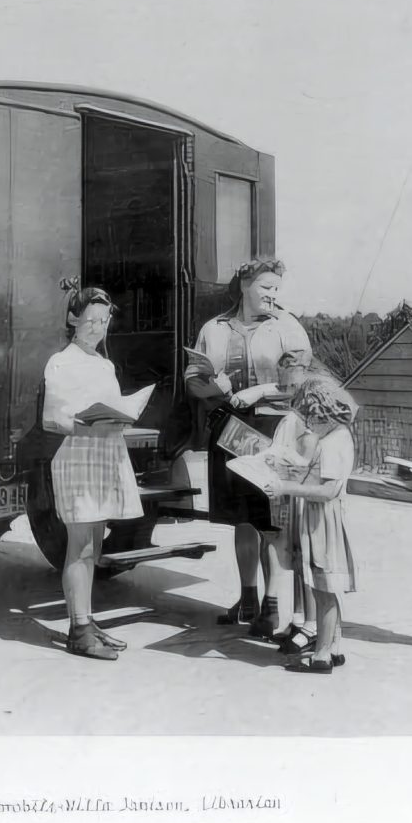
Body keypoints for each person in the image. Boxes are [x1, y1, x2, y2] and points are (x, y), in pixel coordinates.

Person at [184, 257, 312, 637]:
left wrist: (259, 390)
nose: (272, 295)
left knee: (269, 519)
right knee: (240, 517)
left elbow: (298, 383)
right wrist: (214, 389)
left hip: (272, 427)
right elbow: (193, 378)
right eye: (265, 287)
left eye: (276, 289)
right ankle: (248, 597)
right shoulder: (213, 328)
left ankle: (272, 608)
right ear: (244, 285)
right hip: (229, 427)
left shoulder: (287, 327)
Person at [42, 282, 144, 660]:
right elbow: (51, 419)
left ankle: (87, 620)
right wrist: (89, 426)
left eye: (103, 322)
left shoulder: (104, 365)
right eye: (90, 321)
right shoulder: (60, 362)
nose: (98, 329)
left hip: (105, 454)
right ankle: (78, 629)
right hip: (78, 456)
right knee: (81, 546)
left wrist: (120, 419)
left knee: (95, 546)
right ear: (73, 320)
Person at [264, 376, 358, 673]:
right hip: (326, 517)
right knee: (327, 587)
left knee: (323, 589)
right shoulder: (341, 435)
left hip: (321, 520)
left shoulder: (330, 444)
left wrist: (285, 488)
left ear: (321, 413)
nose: (308, 427)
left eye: (310, 420)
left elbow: (328, 490)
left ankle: (321, 656)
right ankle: (334, 646)